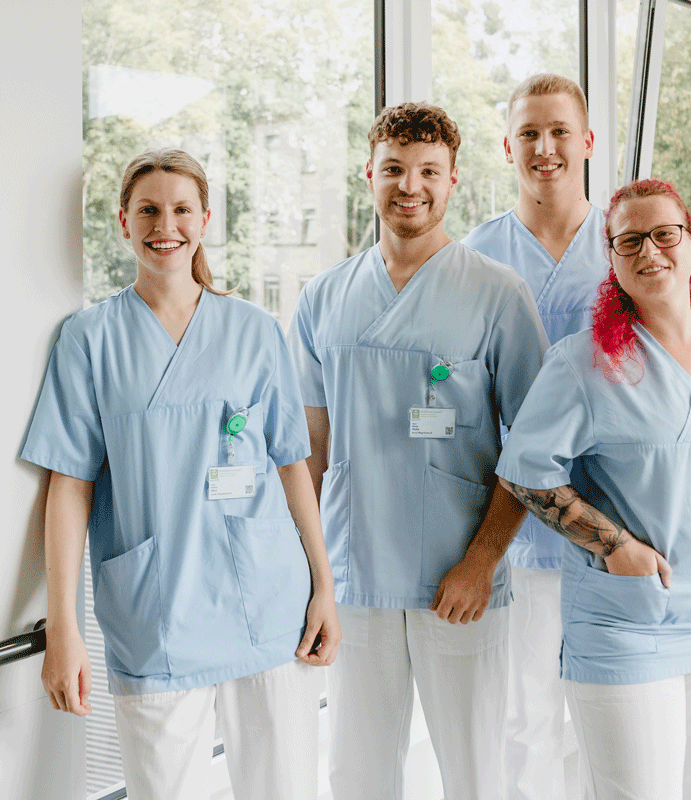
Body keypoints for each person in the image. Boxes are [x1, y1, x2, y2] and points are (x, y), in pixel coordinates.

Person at [21, 148, 340, 800]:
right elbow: (68, 486)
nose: (165, 223)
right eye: (148, 209)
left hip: (269, 610)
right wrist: (63, 627)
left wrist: (324, 588)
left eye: (180, 209)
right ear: (123, 222)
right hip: (156, 616)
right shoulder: (90, 339)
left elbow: (291, 466)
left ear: (204, 220)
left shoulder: (253, 330)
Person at [288, 102, 549, 800]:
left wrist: (482, 560)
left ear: (454, 181)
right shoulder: (323, 297)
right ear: (368, 176)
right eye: (395, 169)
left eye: (429, 171)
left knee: (476, 772)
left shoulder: (499, 295)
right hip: (353, 571)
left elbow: (534, 447)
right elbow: (309, 448)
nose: (412, 186)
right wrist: (313, 575)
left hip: (458, 581)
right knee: (355, 772)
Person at [497, 178, 691, 800]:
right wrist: (613, 546)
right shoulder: (583, 362)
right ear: (613, 260)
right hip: (631, 620)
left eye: (663, 234)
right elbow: (525, 472)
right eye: (629, 240)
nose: (649, 250)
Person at [463, 73, 607, 800]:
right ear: (508, 146)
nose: (545, 148)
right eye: (529, 133)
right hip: (516, 525)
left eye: (559, 132)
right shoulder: (476, 258)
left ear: (587, 141)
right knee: (524, 719)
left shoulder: (626, 245)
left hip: (613, 514)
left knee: (609, 712)